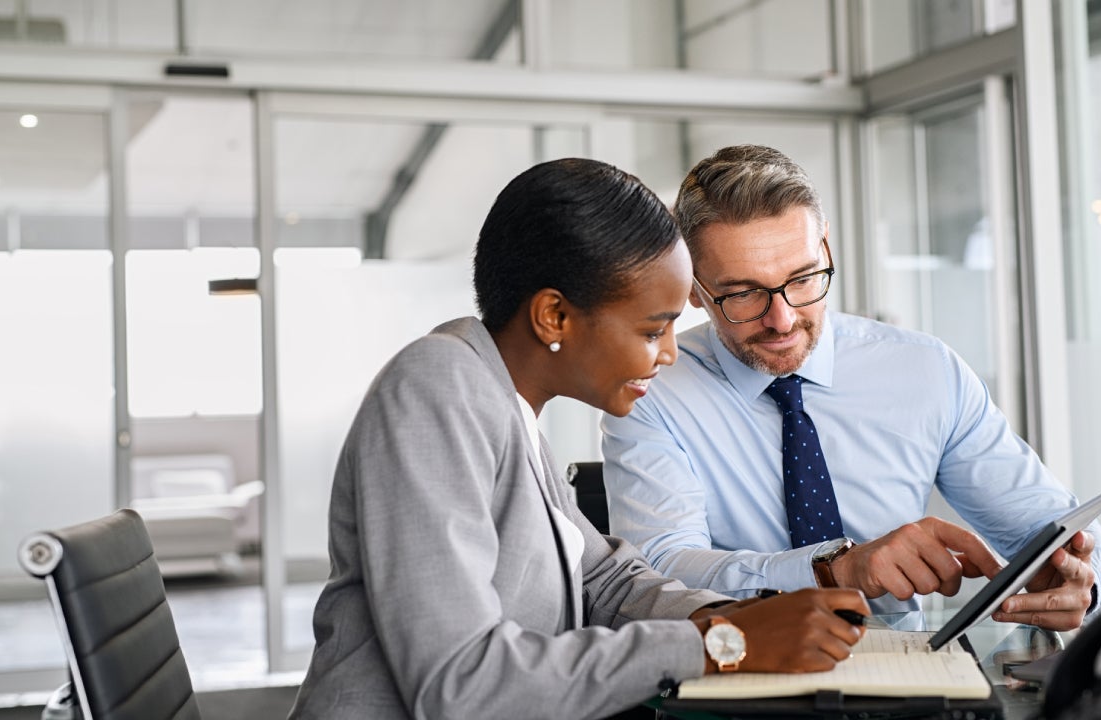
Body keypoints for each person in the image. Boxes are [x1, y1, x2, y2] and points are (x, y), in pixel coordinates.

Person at [288, 158, 869, 720]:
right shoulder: (439, 389)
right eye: (652, 329)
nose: (668, 354)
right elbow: (459, 684)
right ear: (554, 318)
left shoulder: (507, 406)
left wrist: (750, 616)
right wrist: (722, 643)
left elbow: (604, 581)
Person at [601, 144, 1101, 632]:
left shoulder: (924, 371)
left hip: (915, 680)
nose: (782, 320)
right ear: (693, 287)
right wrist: (834, 571)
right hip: (740, 680)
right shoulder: (652, 389)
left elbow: (1055, 527)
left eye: (803, 279)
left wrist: (1080, 580)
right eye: (742, 294)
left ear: (825, 246)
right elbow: (658, 575)